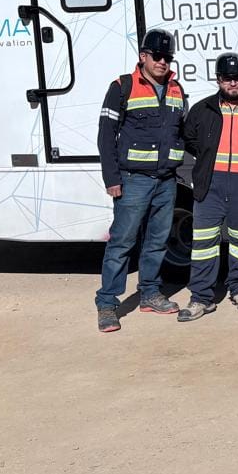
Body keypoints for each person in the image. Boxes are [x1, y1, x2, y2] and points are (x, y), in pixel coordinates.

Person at [94, 29, 187, 332]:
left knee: (158, 241)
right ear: (143, 56)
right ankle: (107, 303)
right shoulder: (123, 86)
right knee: (122, 242)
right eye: (157, 56)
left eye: (167, 57)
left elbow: (182, 131)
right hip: (133, 180)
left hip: (166, 180)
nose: (162, 62)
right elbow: (106, 135)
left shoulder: (176, 89)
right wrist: (112, 178)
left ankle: (150, 294)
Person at [177, 52, 238, 322]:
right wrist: (209, 159)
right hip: (211, 184)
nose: (233, 83)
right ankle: (201, 298)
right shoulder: (203, 109)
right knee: (204, 243)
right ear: (219, 80)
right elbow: (189, 139)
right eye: (227, 78)